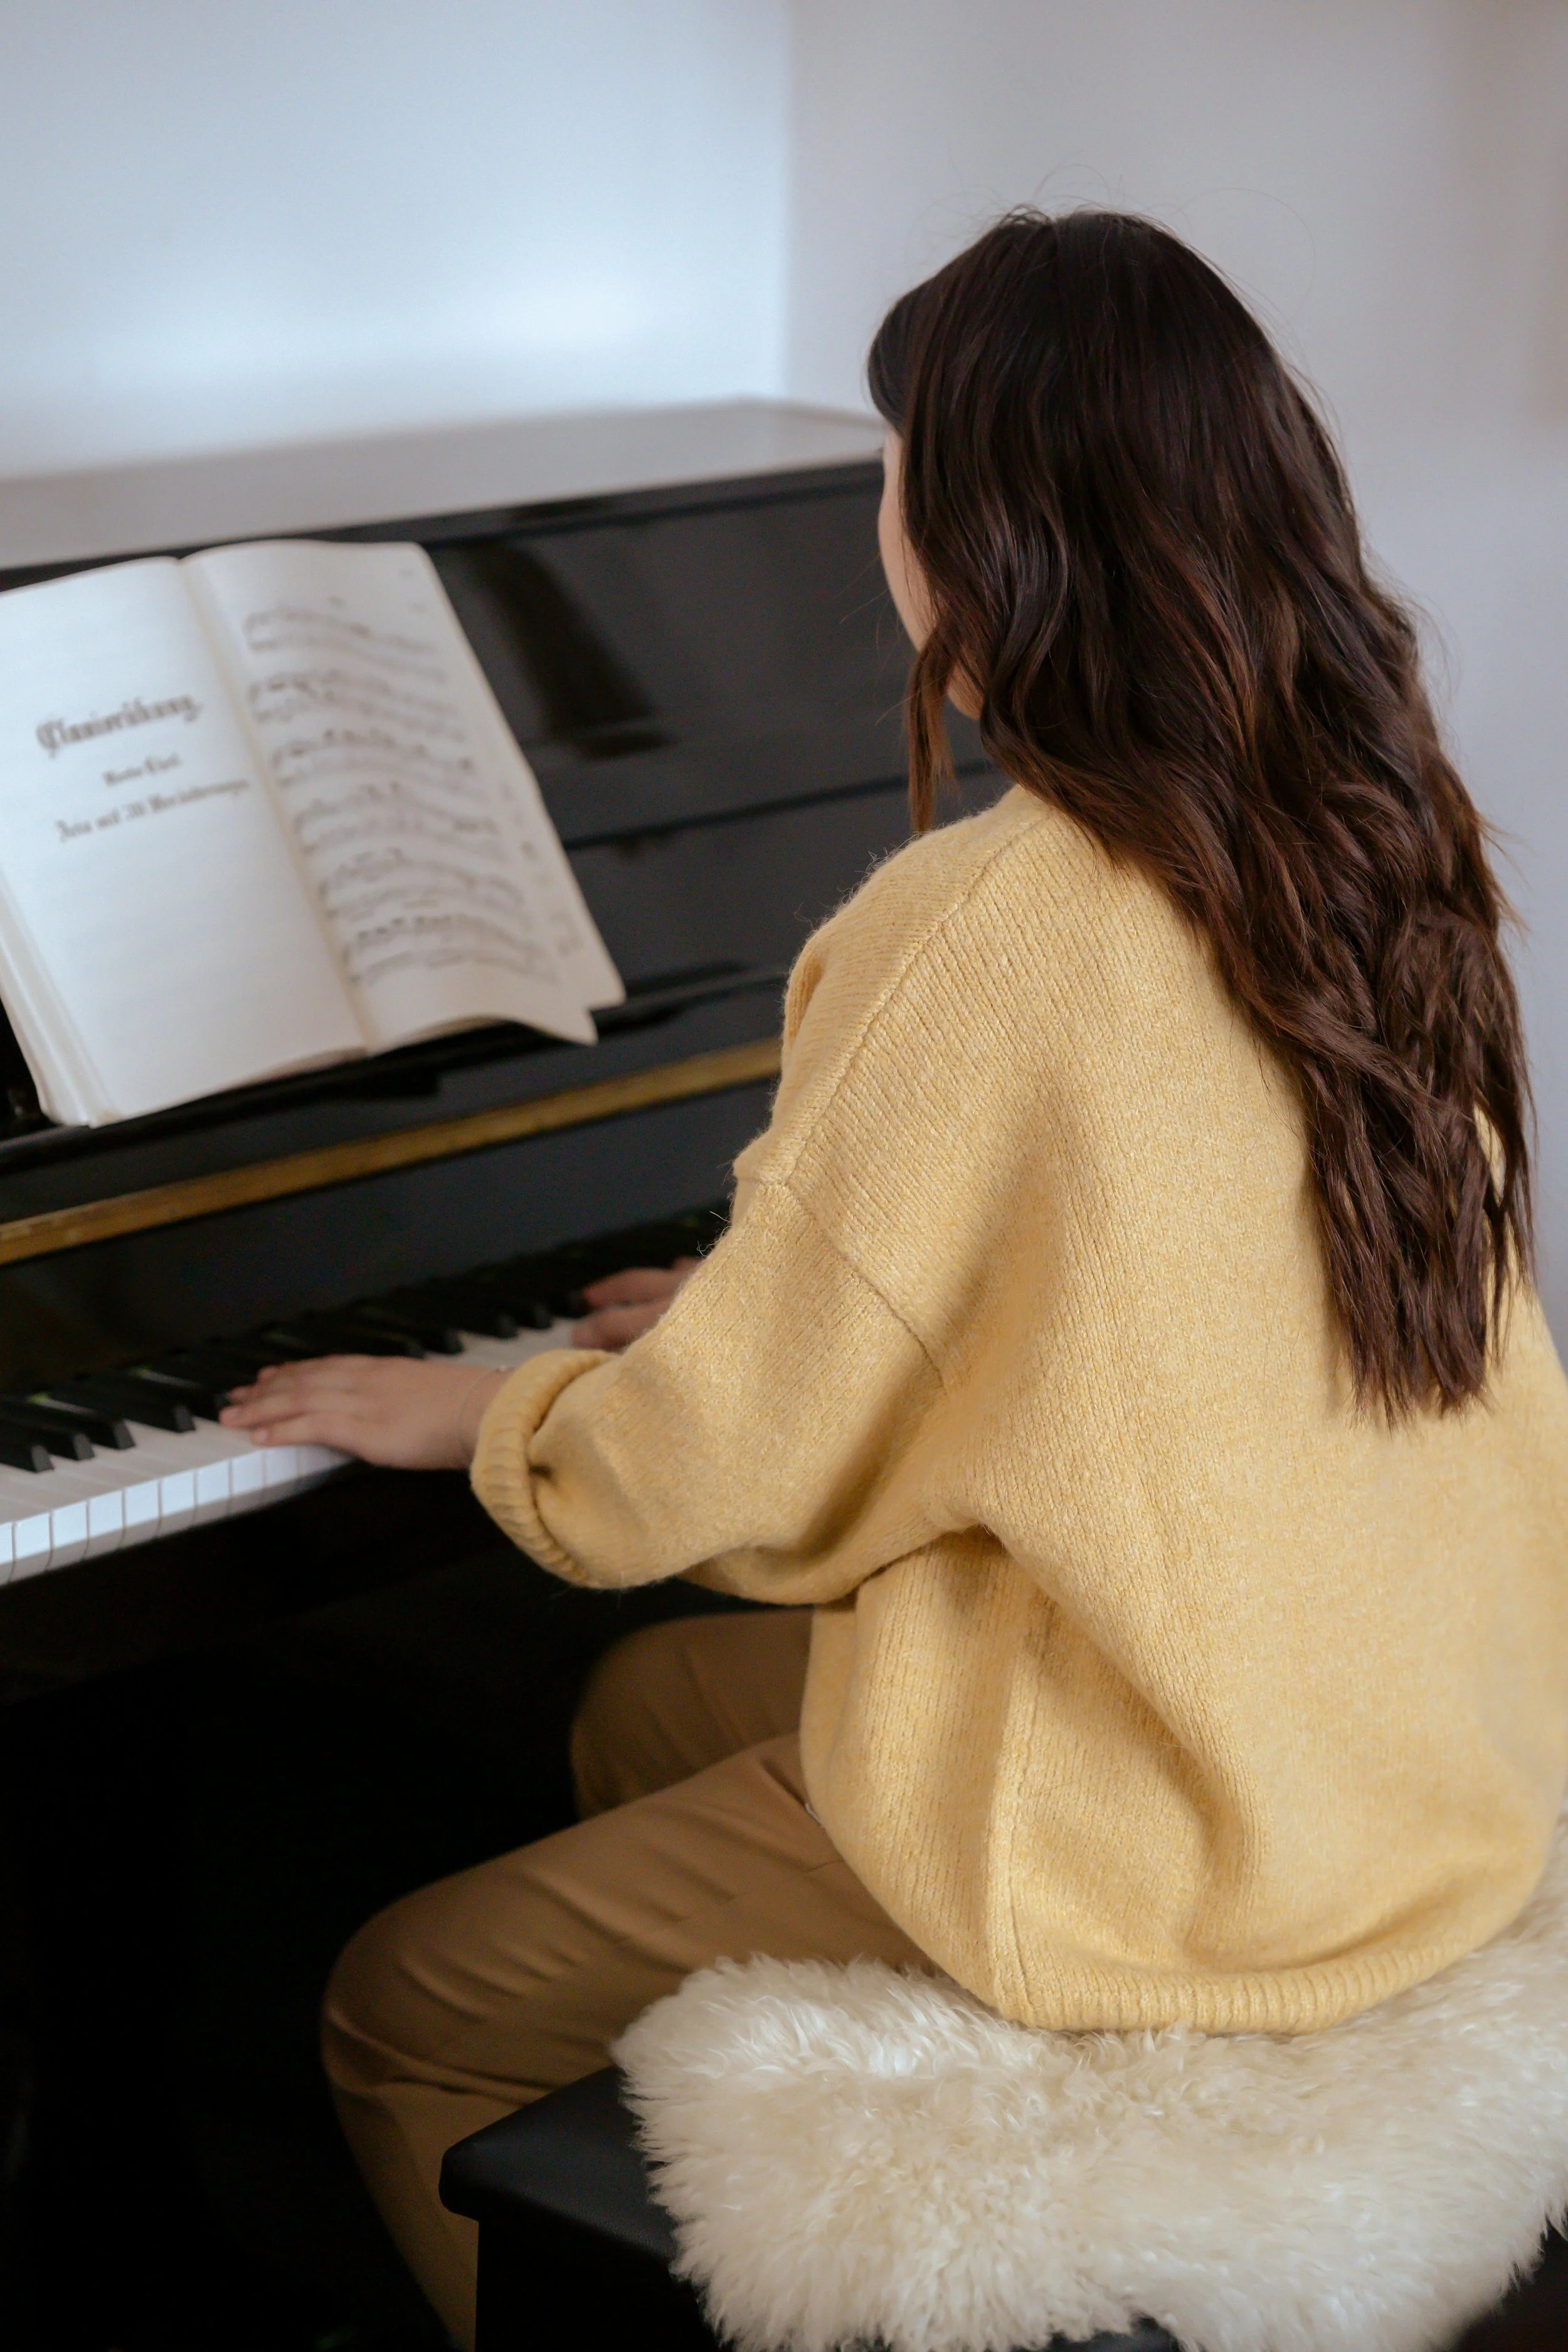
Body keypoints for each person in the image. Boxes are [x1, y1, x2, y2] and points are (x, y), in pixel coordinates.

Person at [220, 209, 1568, 2348]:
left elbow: (699, 1483)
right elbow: (1140, 1315)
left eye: (893, 467)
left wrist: (496, 1408)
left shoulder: (997, 917)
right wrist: (790, 1336)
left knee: (402, 2001)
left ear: (975, 528)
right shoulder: (1368, 836)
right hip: (1402, 1759)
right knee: (643, 1704)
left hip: (1174, 1857)